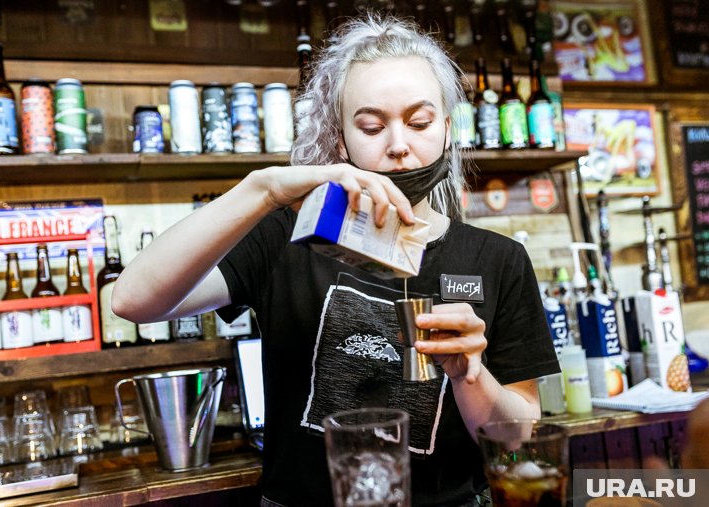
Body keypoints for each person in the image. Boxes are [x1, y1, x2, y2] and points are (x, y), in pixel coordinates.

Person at [113, 15, 559, 507]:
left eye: (419, 122)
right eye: (371, 126)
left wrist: (469, 373)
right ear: (343, 140)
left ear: (448, 128)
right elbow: (134, 300)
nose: (398, 145)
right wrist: (262, 189)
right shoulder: (286, 234)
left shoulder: (498, 259)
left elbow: (518, 443)